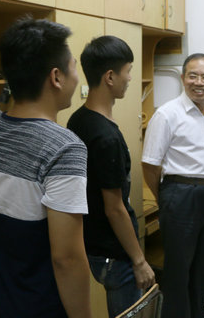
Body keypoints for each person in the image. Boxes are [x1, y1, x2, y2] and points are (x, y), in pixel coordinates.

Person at [0, 17, 92, 318]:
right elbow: (66, 259)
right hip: (37, 307)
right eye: (74, 66)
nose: (77, 77)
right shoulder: (65, 148)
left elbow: (7, 112)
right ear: (56, 77)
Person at [67, 36, 155, 317]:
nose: (129, 78)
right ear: (109, 76)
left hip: (90, 242)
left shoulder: (78, 119)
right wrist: (139, 260)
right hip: (114, 252)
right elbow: (115, 208)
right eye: (128, 71)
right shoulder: (106, 137)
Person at [142, 53, 204, 318]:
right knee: (178, 266)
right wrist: (165, 197)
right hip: (180, 194)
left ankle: (197, 312)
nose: (199, 82)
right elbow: (150, 164)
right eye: (193, 76)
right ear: (182, 78)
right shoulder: (167, 114)